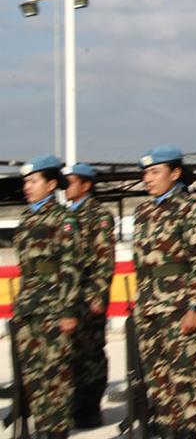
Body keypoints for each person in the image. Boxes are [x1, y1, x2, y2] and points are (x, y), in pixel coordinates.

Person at [132, 145, 196, 439]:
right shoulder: (142, 212)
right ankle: (167, 430)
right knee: (159, 379)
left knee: (185, 378)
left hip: (180, 309)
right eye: (145, 173)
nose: (148, 179)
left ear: (175, 173)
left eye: (155, 172)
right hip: (149, 309)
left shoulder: (191, 210)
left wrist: (195, 307)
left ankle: (189, 432)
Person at [13, 155, 81, 439]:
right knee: (33, 376)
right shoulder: (27, 219)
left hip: (54, 308)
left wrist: (68, 311)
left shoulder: (63, 219)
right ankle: (42, 426)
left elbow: (70, 267)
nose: (27, 187)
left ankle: (57, 429)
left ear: (51, 183)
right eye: (26, 182)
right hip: (28, 308)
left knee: (56, 375)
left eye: (33, 181)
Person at [64, 162, 115, 429]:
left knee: (91, 355)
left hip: (87, 299)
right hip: (67, 300)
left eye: (70, 182)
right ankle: (72, 406)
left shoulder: (99, 216)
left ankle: (90, 409)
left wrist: (97, 298)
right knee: (69, 355)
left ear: (86, 185)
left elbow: (104, 260)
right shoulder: (63, 216)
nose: (65, 188)